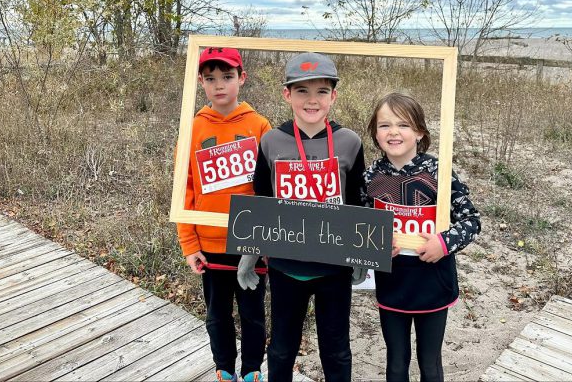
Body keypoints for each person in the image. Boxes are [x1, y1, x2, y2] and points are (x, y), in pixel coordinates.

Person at [238, 52, 366, 382]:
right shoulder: (271, 141)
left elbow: (358, 203)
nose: (312, 100)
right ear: (287, 95)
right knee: (281, 348)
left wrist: (362, 255)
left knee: (336, 350)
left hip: (334, 270)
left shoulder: (349, 142)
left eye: (322, 91)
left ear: (334, 96)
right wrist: (249, 256)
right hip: (285, 268)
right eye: (301, 91)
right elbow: (261, 204)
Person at [362, 92, 481, 382]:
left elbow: (471, 221)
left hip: (433, 281)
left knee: (430, 363)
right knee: (396, 362)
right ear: (375, 133)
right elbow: (361, 226)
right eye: (384, 125)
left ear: (419, 132)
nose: (393, 132)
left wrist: (444, 243)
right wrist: (373, 244)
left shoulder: (438, 172)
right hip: (392, 282)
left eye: (403, 125)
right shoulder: (370, 177)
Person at [176, 47, 272, 382]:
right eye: (211, 78)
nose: (220, 85)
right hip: (210, 242)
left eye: (227, 77)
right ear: (201, 82)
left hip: (249, 243)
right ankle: (224, 368)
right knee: (218, 314)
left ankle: (251, 370)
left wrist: (266, 241)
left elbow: (269, 189)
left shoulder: (259, 125)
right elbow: (184, 188)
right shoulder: (193, 128)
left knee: (252, 314)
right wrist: (189, 244)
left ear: (241, 79)